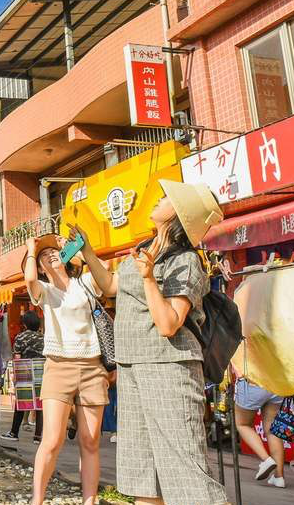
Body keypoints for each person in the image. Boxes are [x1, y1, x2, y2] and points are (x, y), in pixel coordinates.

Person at [82, 180, 229, 505]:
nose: (158, 199)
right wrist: (88, 252)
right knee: (142, 476)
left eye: (165, 199)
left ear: (178, 215)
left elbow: (168, 323)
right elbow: (109, 286)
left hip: (168, 367)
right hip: (131, 365)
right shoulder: (145, 249)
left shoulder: (185, 261)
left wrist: (149, 278)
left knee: (186, 472)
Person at [23, 239, 109, 505]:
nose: (50, 256)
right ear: (38, 266)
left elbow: (104, 270)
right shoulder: (45, 291)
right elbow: (28, 281)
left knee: (90, 439)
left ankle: (90, 500)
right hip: (58, 367)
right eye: (43, 256)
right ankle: (37, 499)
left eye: (54, 252)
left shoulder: (84, 283)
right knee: (52, 439)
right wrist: (31, 249)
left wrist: (73, 247)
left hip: (92, 367)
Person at [232, 377, 287, 488]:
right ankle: (279, 477)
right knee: (272, 430)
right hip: (277, 383)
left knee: (242, 424)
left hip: (253, 381)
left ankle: (266, 460)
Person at [4, 309, 45, 443]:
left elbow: (17, 357)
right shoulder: (43, 337)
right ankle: (38, 436)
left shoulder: (20, 337)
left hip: (24, 370)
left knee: (21, 402)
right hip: (41, 371)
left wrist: (14, 376)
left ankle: (14, 432)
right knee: (40, 404)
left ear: (25, 324)